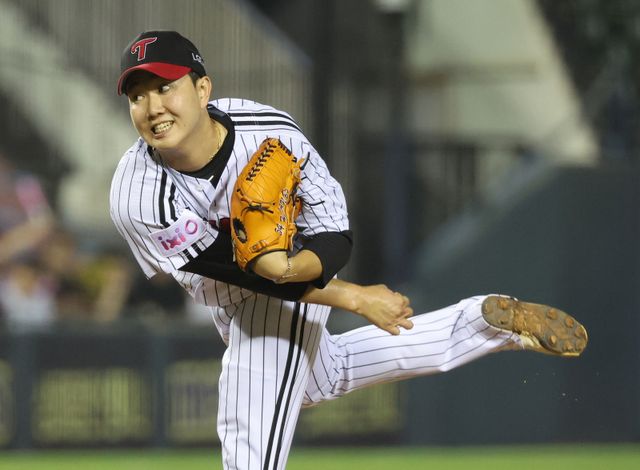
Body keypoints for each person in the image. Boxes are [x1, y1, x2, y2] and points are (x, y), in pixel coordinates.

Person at [110, 31, 588, 470]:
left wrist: (299, 269)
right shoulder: (138, 195)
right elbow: (241, 271)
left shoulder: (267, 130)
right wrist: (353, 297)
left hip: (294, 277)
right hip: (241, 290)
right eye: (138, 96)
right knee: (325, 377)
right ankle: (481, 324)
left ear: (202, 89)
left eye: (166, 87)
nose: (153, 108)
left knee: (248, 430)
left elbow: (334, 233)